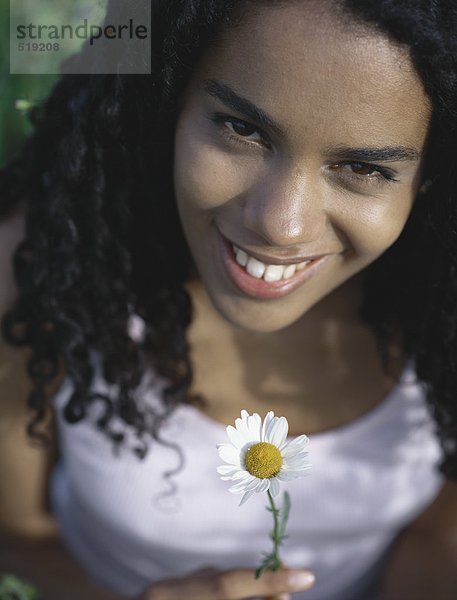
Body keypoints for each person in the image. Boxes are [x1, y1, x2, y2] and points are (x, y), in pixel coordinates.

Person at [1, 0, 457, 598]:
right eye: (242, 128)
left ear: (429, 176)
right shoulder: (48, 264)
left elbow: (438, 534)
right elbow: (18, 535)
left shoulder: (442, 310)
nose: (281, 224)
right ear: (169, 102)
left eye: (364, 168)